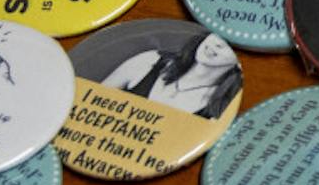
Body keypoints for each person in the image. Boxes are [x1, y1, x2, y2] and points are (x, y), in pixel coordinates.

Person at [102, 31, 241, 119]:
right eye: (218, 32)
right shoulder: (149, 61)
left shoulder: (224, 108)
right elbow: (87, 102)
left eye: (231, 43)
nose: (218, 43)